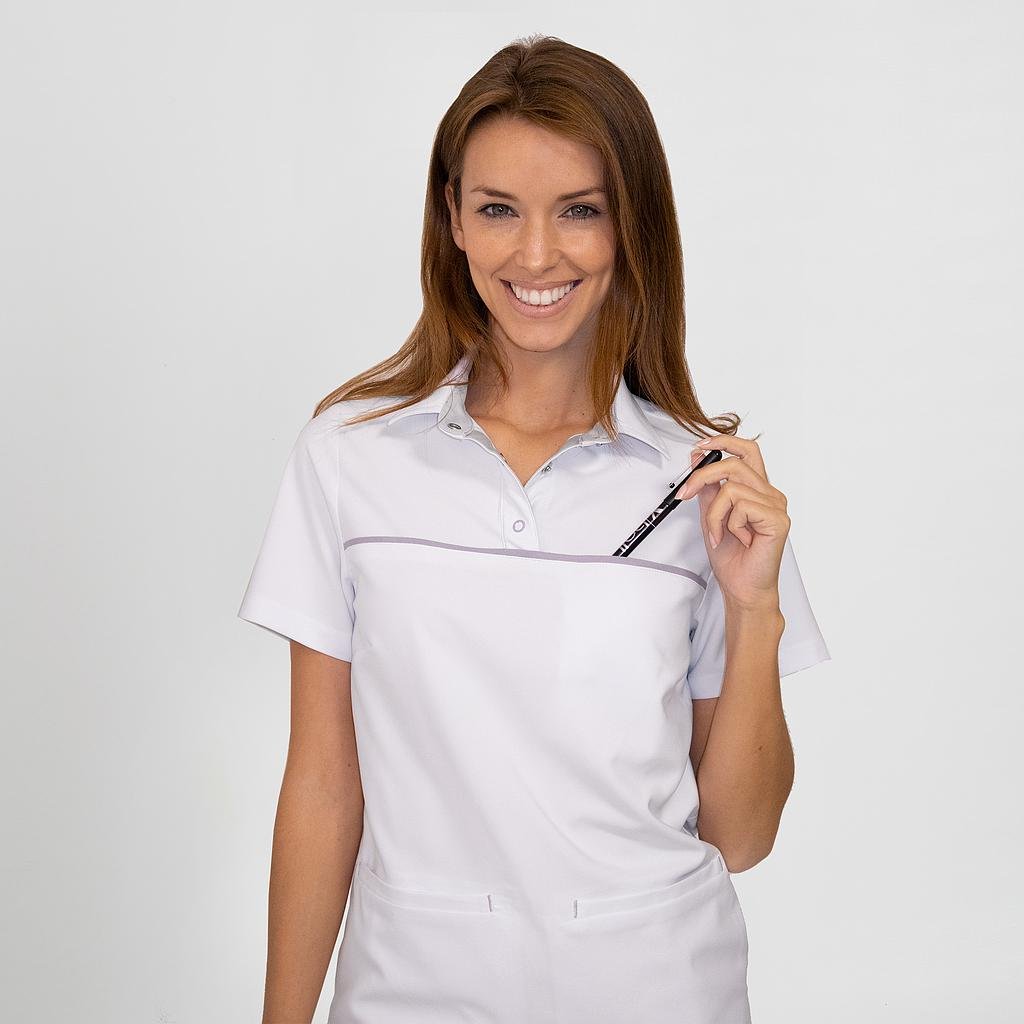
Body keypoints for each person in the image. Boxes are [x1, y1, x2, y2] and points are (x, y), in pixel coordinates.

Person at [237, 33, 830, 1024]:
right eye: (498, 209)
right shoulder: (349, 456)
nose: (538, 254)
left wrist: (755, 610)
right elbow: (324, 786)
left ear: (630, 225)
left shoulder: (703, 485)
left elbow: (740, 834)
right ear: (452, 220)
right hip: (412, 991)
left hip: (657, 988)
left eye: (580, 211)